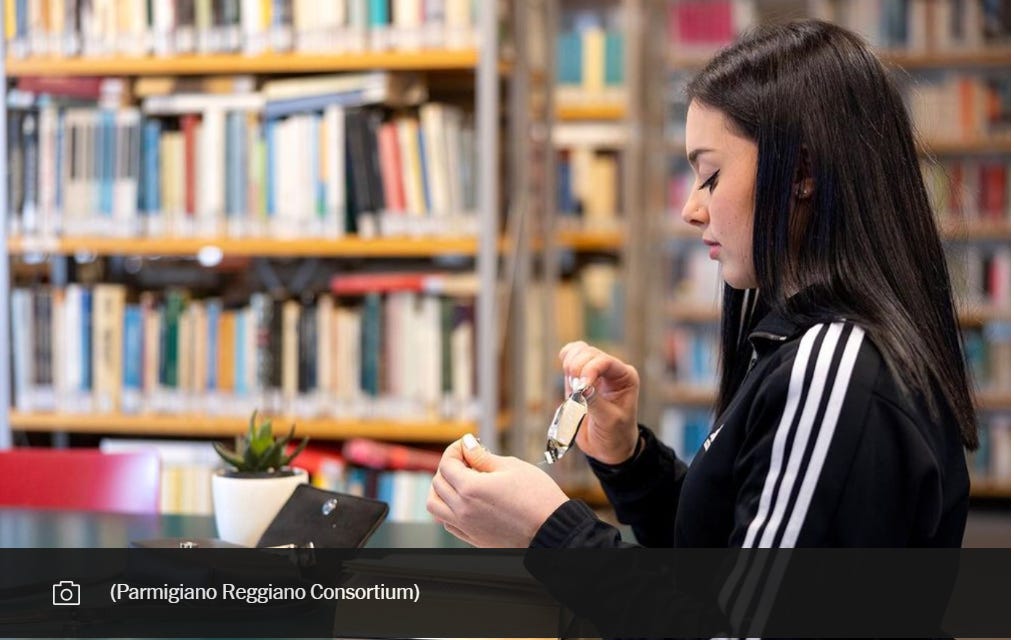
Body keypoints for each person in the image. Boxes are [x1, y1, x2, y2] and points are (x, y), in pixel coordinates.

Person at [426, 19, 977, 549]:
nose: (691, 209)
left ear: (802, 173)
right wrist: (630, 457)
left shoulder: (836, 368)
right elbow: (722, 549)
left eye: (710, 176)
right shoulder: (795, 340)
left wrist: (547, 530)